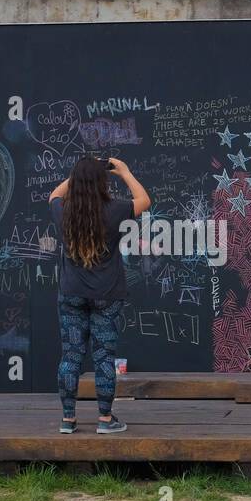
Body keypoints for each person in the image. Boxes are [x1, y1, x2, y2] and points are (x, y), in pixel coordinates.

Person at [49, 156, 150, 434]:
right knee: (104, 357)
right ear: (102, 182)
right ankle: (105, 420)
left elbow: (55, 194)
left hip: (71, 294)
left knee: (70, 356)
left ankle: (68, 420)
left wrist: (80, 174)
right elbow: (144, 199)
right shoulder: (114, 210)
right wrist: (125, 171)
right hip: (107, 294)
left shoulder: (62, 211)